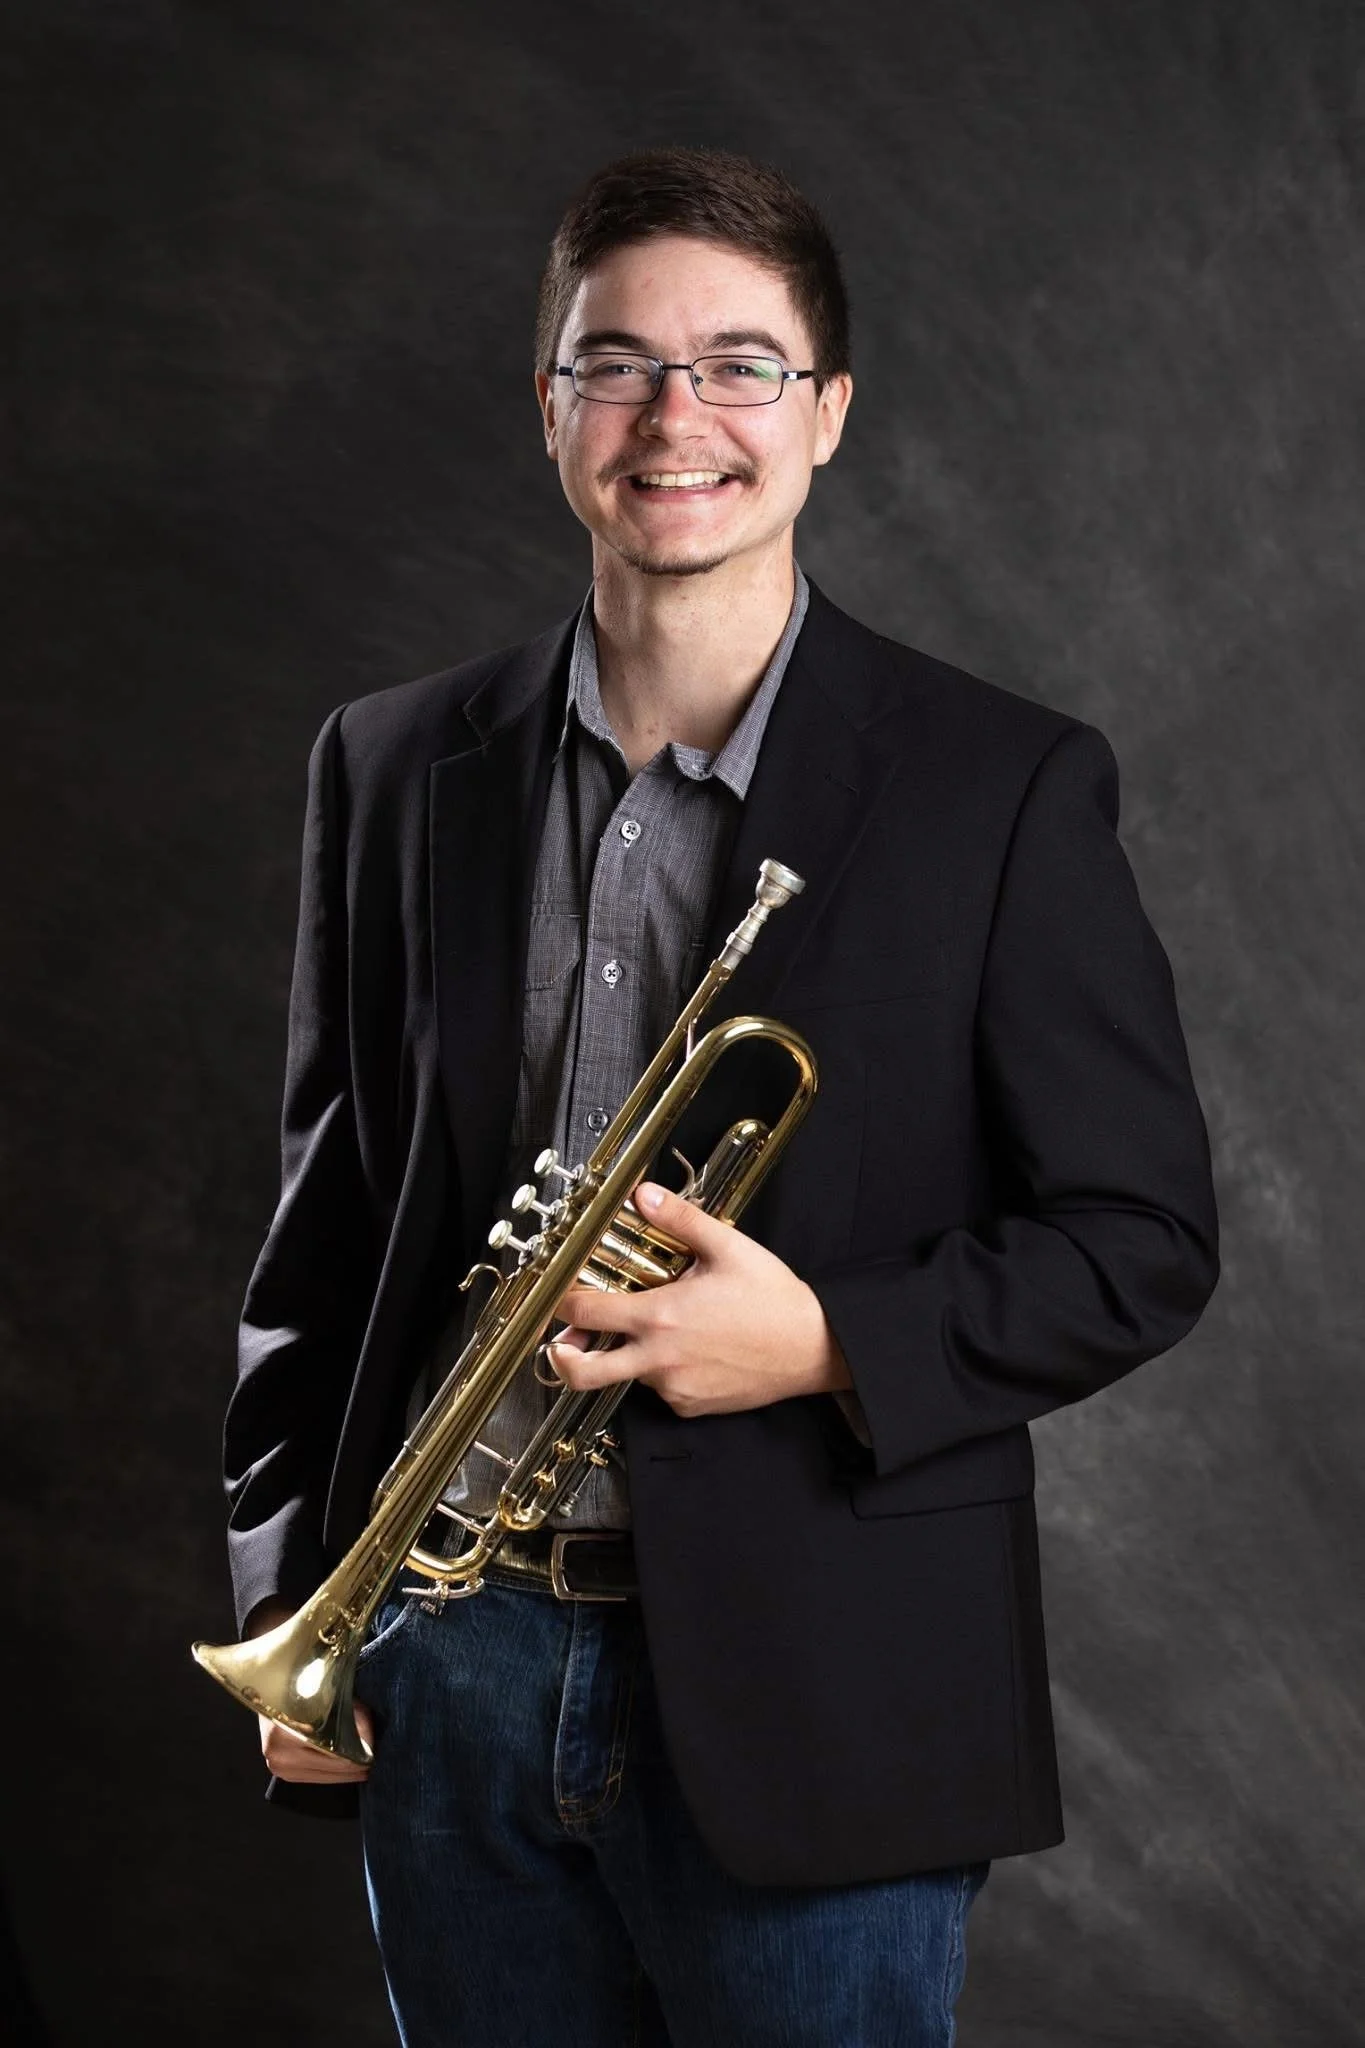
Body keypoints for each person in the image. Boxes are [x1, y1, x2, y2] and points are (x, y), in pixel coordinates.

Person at [221, 146, 1219, 2047]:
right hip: (452, 1670)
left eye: (742, 364)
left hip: (830, 1676)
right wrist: (308, 1615)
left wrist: (826, 1340)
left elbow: (1144, 1240)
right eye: (618, 364)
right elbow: (320, 1244)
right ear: (550, 407)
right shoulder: (392, 765)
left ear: (826, 412)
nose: (677, 416)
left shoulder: (1001, 786)